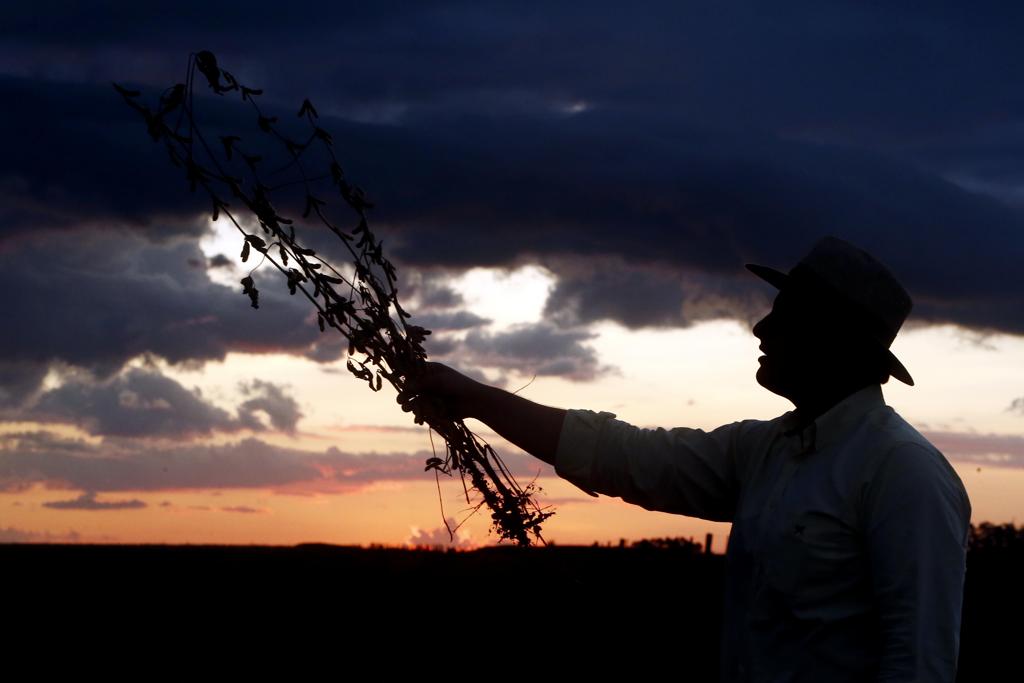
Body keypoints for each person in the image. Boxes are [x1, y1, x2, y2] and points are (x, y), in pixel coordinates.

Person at [397, 236, 971, 682]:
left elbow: (917, 665)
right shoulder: (763, 450)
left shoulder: (905, 474)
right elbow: (626, 455)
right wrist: (472, 397)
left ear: (832, 341)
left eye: (786, 315)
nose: (761, 327)